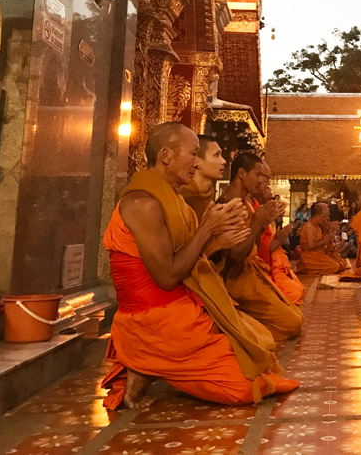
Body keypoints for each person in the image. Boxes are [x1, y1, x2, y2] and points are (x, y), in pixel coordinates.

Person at [101, 122, 297, 409]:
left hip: (181, 306)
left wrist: (214, 242)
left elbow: (189, 260)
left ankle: (149, 366)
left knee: (258, 349)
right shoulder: (142, 204)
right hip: (154, 316)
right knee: (242, 387)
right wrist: (207, 230)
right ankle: (144, 365)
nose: (197, 162)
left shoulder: (174, 201)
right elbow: (167, 277)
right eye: (194, 154)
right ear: (166, 156)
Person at [213, 152, 303, 342]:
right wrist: (256, 224)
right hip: (237, 278)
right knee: (291, 324)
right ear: (241, 174)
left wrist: (261, 223)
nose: (262, 181)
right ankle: (240, 333)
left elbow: (253, 245)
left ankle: (246, 324)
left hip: (252, 273)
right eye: (258, 175)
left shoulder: (246, 204)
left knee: (297, 317)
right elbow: (234, 257)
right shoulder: (225, 204)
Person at [254, 179, 306, 306]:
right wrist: (279, 240)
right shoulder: (257, 215)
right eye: (267, 187)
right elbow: (258, 252)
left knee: (299, 289)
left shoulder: (267, 216)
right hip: (266, 267)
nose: (270, 191)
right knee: (295, 292)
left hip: (277, 264)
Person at [300, 202, 349, 274]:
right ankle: (308, 267)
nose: (326, 219)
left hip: (319, 254)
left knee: (342, 265)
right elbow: (311, 246)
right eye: (324, 216)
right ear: (317, 216)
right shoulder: (310, 227)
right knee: (336, 267)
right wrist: (324, 240)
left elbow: (322, 239)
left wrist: (330, 230)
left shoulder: (317, 225)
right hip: (310, 256)